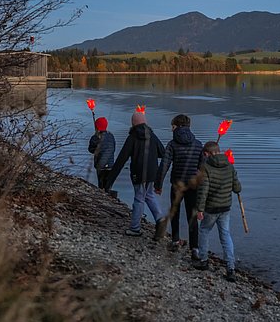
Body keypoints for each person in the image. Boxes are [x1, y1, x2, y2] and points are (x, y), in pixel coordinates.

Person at [102, 106, 166, 238]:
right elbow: (163, 153)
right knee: (148, 196)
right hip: (152, 173)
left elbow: (121, 160)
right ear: (145, 122)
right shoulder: (152, 136)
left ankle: (135, 228)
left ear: (133, 123)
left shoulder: (132, 137)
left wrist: (109, 182)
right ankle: (160, 219)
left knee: (139, 199)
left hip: (139, 173)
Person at [154, 114, 205, 257]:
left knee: (175, 212)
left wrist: (158, 184)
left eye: (172, 126)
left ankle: (175, 240)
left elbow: (164, 165)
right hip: (193, 185)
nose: (171, 129)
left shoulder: (172, 144)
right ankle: (195, 248)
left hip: (177, 183)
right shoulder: (198, 144)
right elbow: (202, 168)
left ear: (176, 126)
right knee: (192, 215)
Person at [194, 140, 242, 282]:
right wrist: (235, 176)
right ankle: (230, 268)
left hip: (211, 208)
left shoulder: (206, 168)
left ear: (207, 154)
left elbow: (203, 191)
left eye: (205, 154)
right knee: (225, 235)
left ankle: (203, 260)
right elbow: (237, 188)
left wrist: (200, 209)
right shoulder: (230, 166)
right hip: (225, 207)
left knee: (204, 231)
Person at [88, 116, 116, 191]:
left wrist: (95, 149)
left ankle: (102, 193)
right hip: (110, 165)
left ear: (96, 127)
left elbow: (90, 149)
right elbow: (113, 148)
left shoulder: (95, 137)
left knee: (101, 184)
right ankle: (108, 194)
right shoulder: (111, 136)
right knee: (108, 185)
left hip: (100, 165)